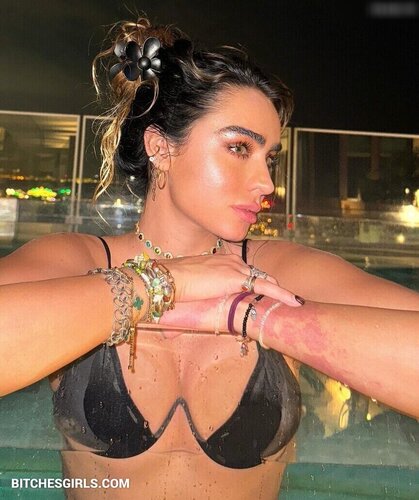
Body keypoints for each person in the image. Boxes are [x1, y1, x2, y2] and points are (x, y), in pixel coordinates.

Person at [0, 16, 418, 500]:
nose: (266, 183)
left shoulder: (280, 273)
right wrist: (159, 285)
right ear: (160, 147)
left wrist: (254, 316)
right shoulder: (74, 261)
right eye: (239, 148)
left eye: (270, 158)